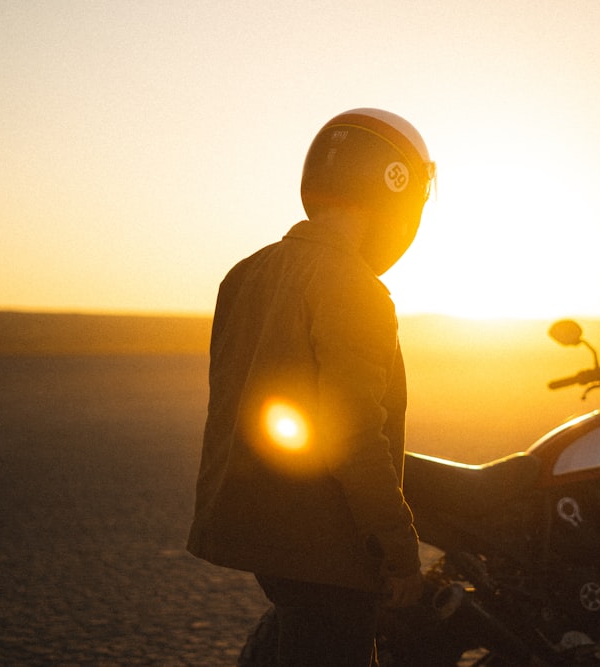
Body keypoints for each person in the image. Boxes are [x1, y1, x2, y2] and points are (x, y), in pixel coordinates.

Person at [187, 108, 436, 666]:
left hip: (266, 539)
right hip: (327, 551)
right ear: (396, 193)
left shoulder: (246, 272)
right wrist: (399, 552)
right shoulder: (355, 288)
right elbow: (352, 435)